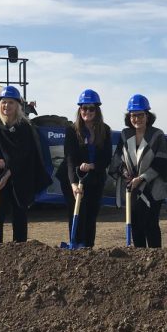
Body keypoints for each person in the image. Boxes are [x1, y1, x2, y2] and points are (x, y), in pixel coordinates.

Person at [0, 86, 51, 243]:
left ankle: (19, 247)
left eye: (11, 103)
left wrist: (9, 172)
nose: (7, 106)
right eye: (4, 102)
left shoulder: (24, 126)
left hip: (19, 175)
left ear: (18, 105)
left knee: (19, 213)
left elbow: (25, 153)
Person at [110, 94, 167, 248]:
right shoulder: (126, 135)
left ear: (147, 115)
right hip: (132, 188)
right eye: (133, 115)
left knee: (151, 225)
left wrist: (143, 178)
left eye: (140, 115)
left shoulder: (157, 135)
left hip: (153, 189)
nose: (137, 119)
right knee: (136, 226)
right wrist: (124, 172)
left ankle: (155, 260)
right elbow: (118, 158)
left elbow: (161, 162)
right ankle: (139, 260)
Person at [56, 89, 113, 248]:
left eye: (91, 108)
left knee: (91, 214)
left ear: (97, 110)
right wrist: (73, 184)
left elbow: (107, 157)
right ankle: (75, 244)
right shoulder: (72, 130)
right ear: (79, 109)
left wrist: (93, 165)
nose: (87, 111)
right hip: (72, 177)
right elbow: (70, 158)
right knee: (77, 213)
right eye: (83, 108)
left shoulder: (105, 130)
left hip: (95, 177)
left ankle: (88, 247)